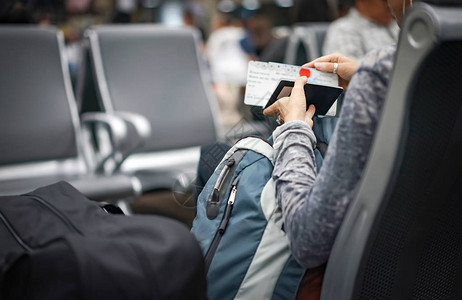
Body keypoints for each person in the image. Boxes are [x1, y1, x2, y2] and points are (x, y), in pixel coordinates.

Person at [263, 0, 413, 268]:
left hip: (374, 266)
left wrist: (293, 128)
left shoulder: (380, 70)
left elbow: (309, 239)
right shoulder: (425, 63)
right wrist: (371, 75)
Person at [322, 0, 400, 60]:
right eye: (384, 0)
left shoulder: (397, 25)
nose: (391, 3)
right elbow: (345, 72)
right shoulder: (343, 29)